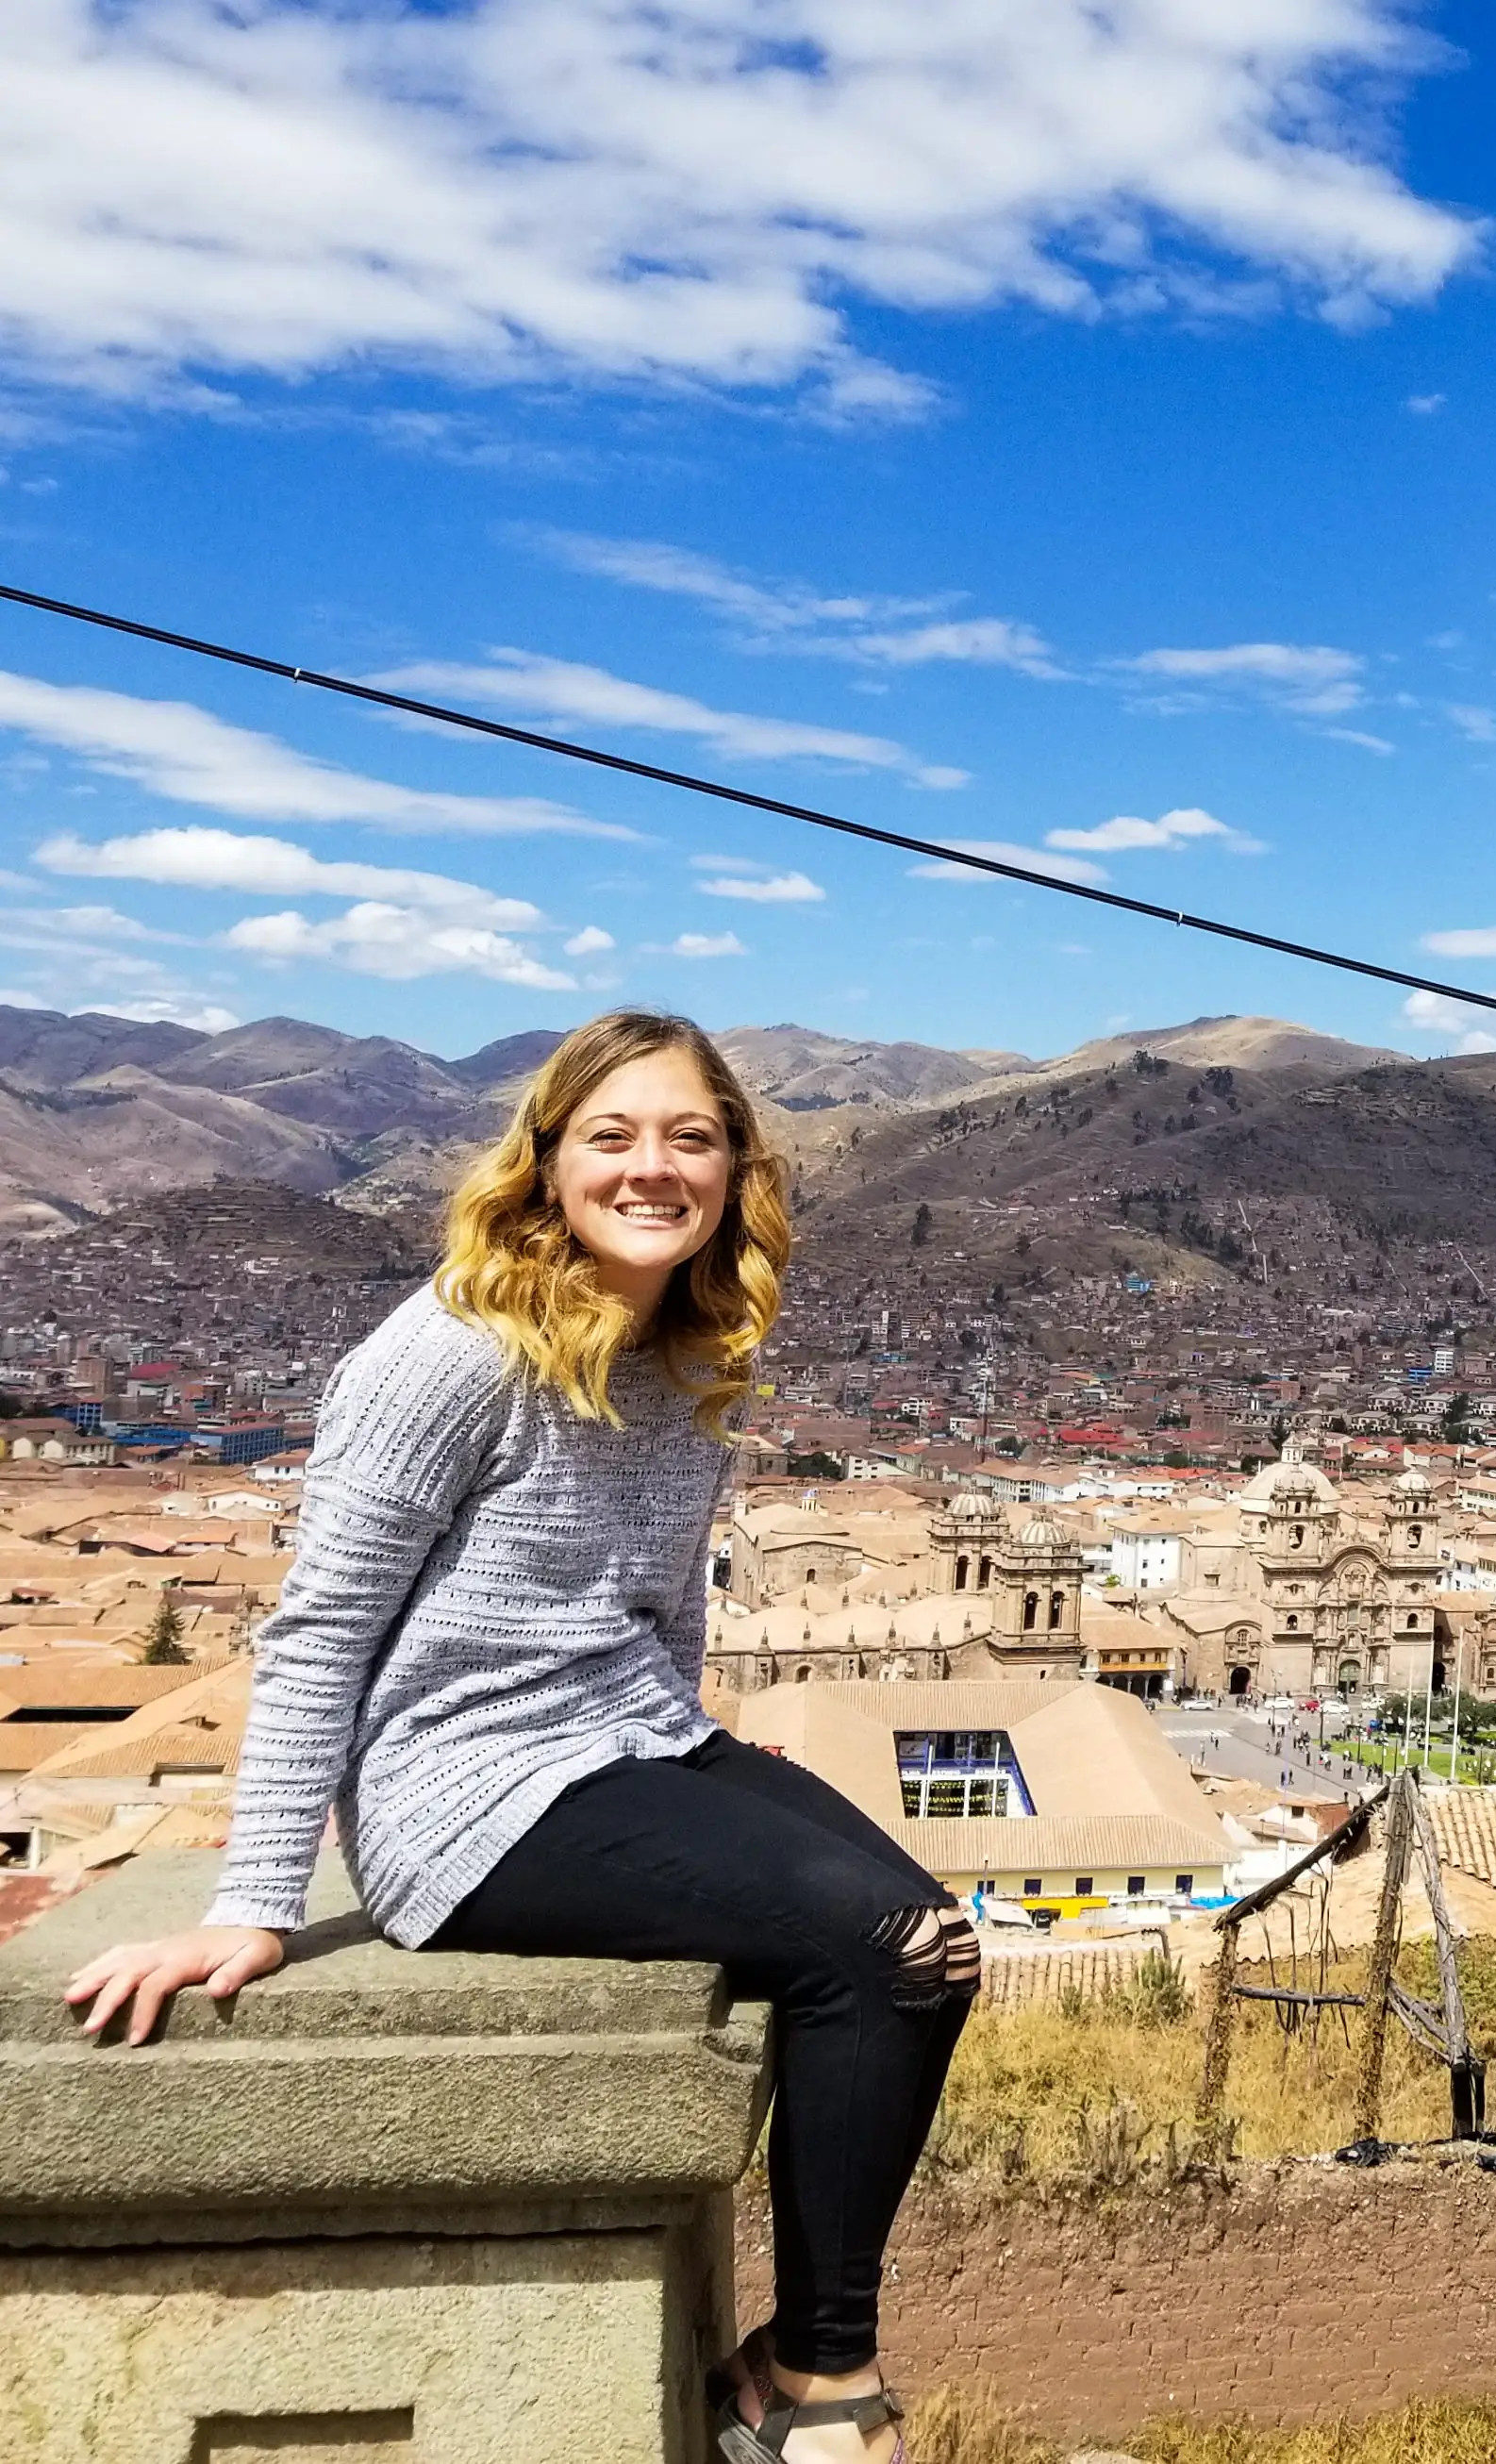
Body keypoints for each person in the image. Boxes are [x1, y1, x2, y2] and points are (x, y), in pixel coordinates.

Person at [60, 1010, 968, 2464]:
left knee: (932, 1936)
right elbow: (317, 1634)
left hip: (625, 1744)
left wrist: (705, 1769)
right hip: (463, 1793)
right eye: (611, 1136)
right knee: (866, 1939)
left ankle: (798, 2355)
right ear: (544, 1162)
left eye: (691, 1137)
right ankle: (819, 2383)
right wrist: (252, 1905)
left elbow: (666, 1605)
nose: (653, 1167)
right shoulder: (451, 1352)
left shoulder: (688, 1352)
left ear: (737, 1167)